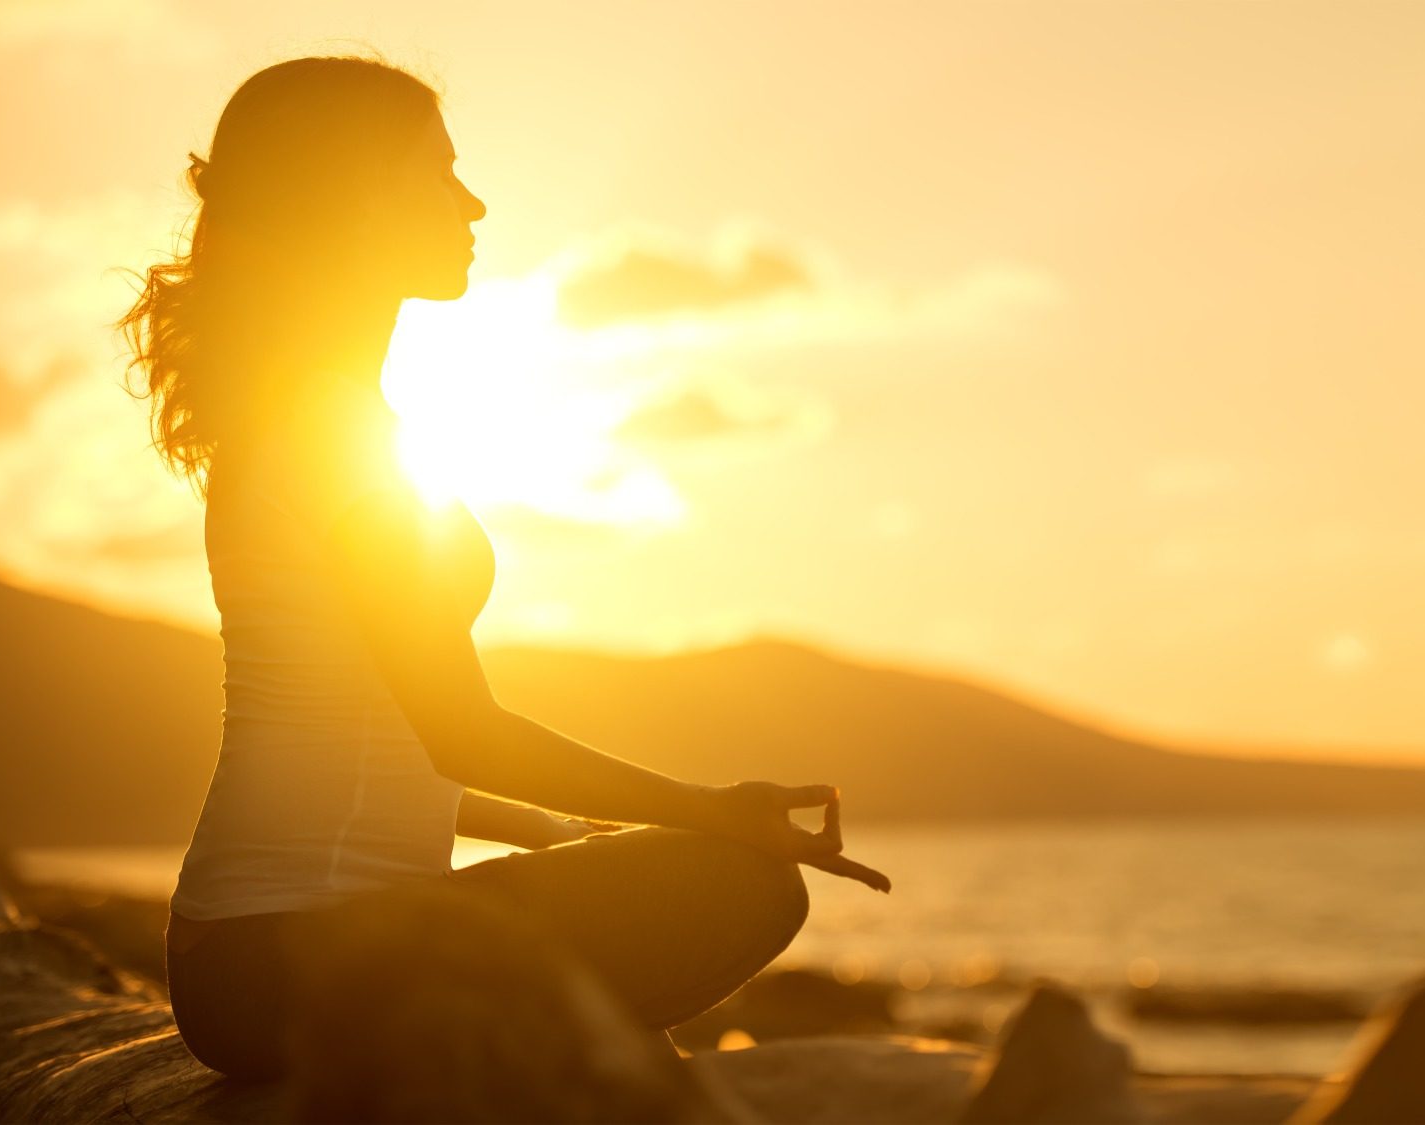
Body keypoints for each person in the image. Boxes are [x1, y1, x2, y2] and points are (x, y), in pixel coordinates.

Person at [118, 55, 889, 1083]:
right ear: (348, 203)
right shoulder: (328, 430)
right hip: (290, 962)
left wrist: (564, 829)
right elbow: (462, 731)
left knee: (693, 878)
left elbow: (365, 735)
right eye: (436, 173)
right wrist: (713, 809)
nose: (472, 201)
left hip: (251, 955)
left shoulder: (313, 418)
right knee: (747, 884)